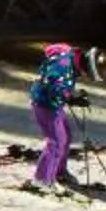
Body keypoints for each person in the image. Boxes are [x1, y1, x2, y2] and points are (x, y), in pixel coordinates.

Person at [27, 42, 98, 193]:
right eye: (87, 74)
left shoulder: (71, 60)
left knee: (65, 136)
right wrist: (70, 97)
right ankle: (41, 179)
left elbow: (62, 82)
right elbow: (53, 84)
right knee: (55, 141)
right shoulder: (64, 64)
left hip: (54, 104)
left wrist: (73, 95)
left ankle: (58, 172)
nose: (85, 76)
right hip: (44, 104)